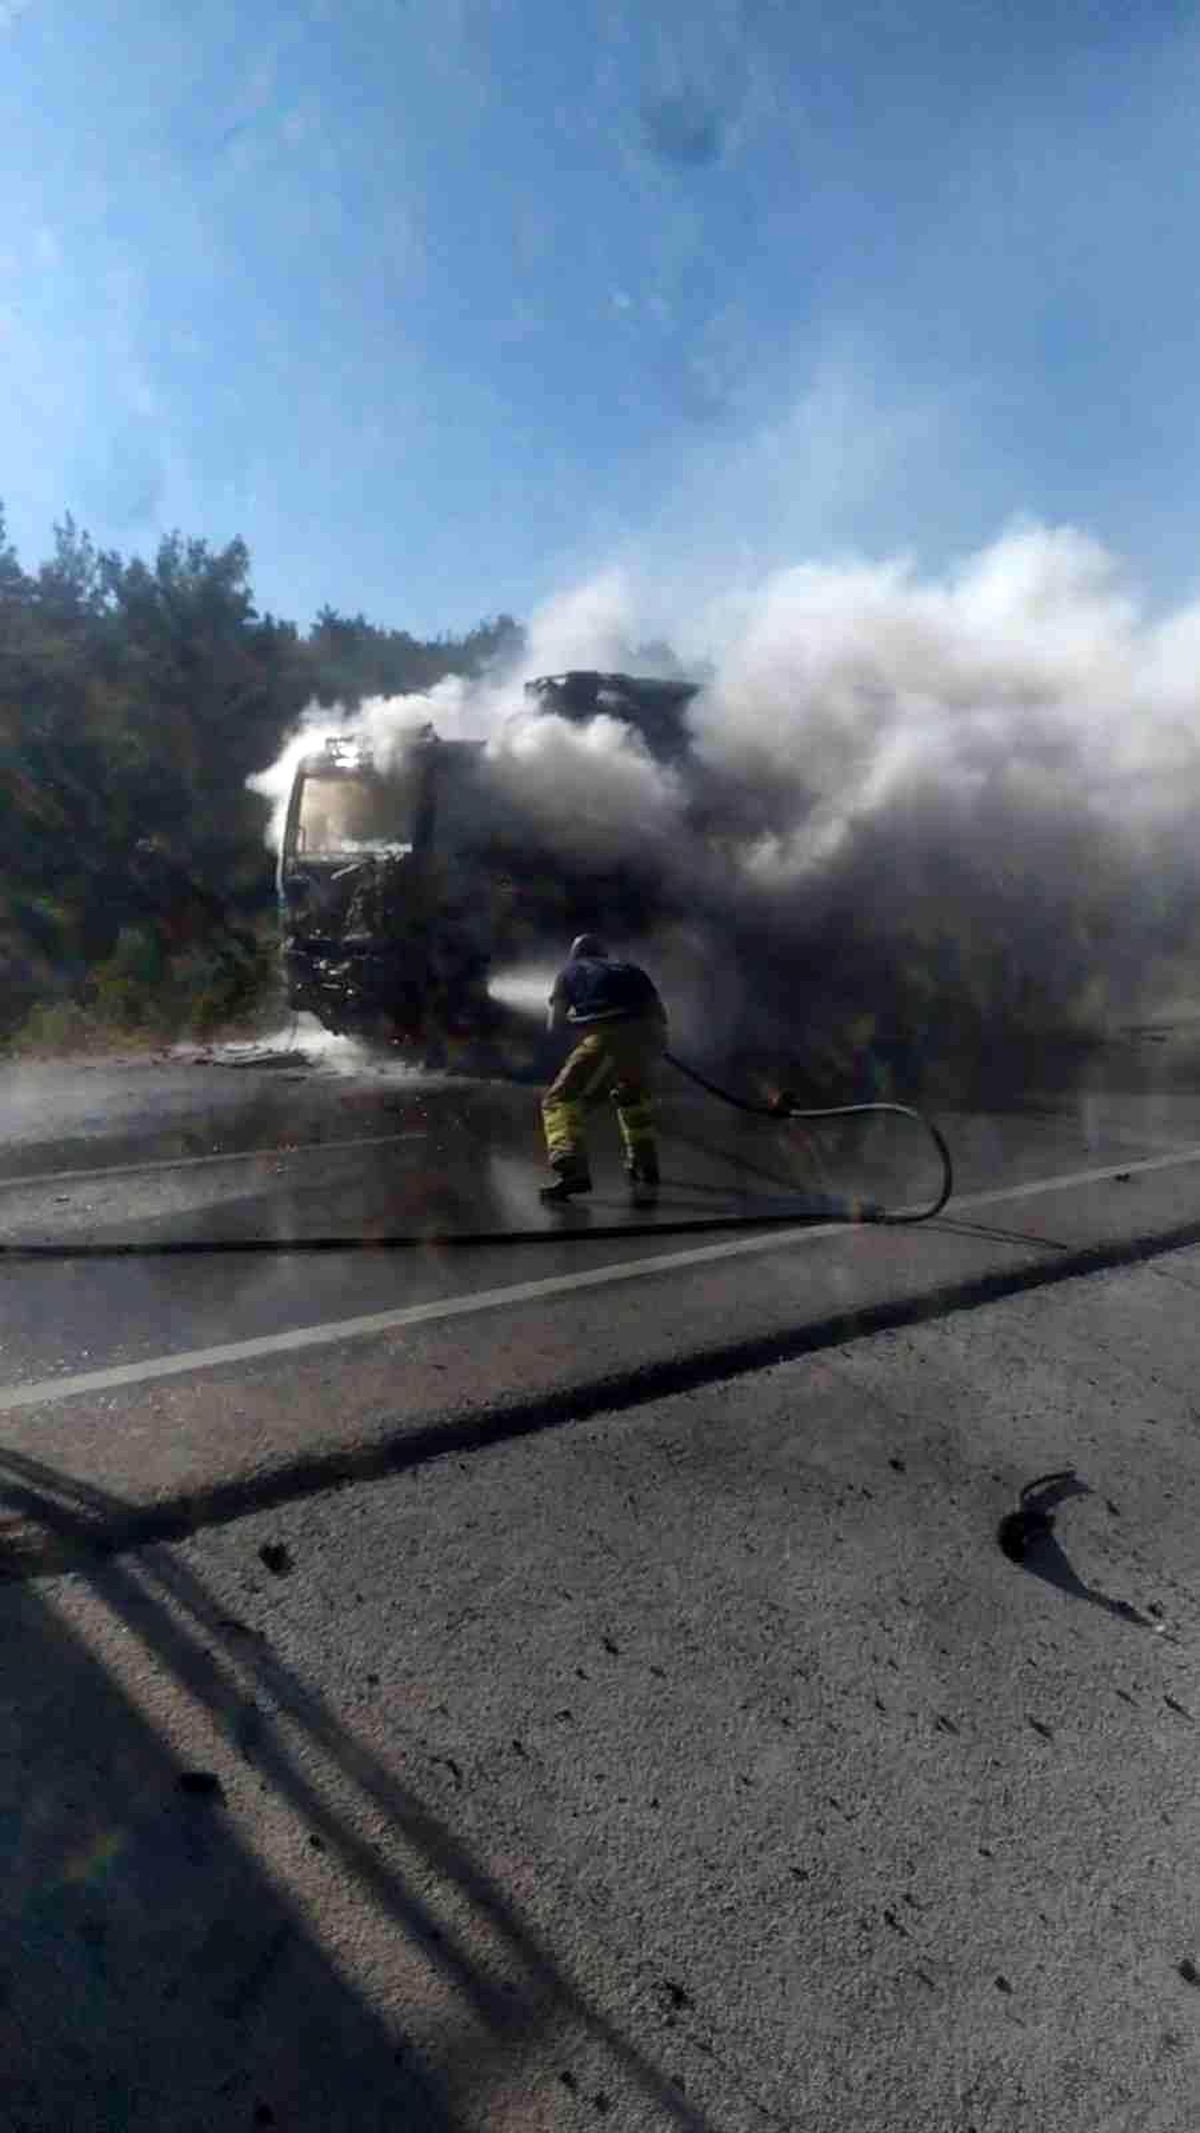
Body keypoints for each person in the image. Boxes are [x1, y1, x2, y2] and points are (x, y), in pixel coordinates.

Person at [539, 934, 668, 1205]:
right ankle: (646, 1165)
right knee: (631, 1095)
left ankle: (572, 1169)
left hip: (608, 1035)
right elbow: (659, 1014)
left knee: (559, 1098)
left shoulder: (569, 973)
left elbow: (555, 1026)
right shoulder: (630, 968)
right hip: (649, 1036)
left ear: (575, 954)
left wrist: (580, 1020)